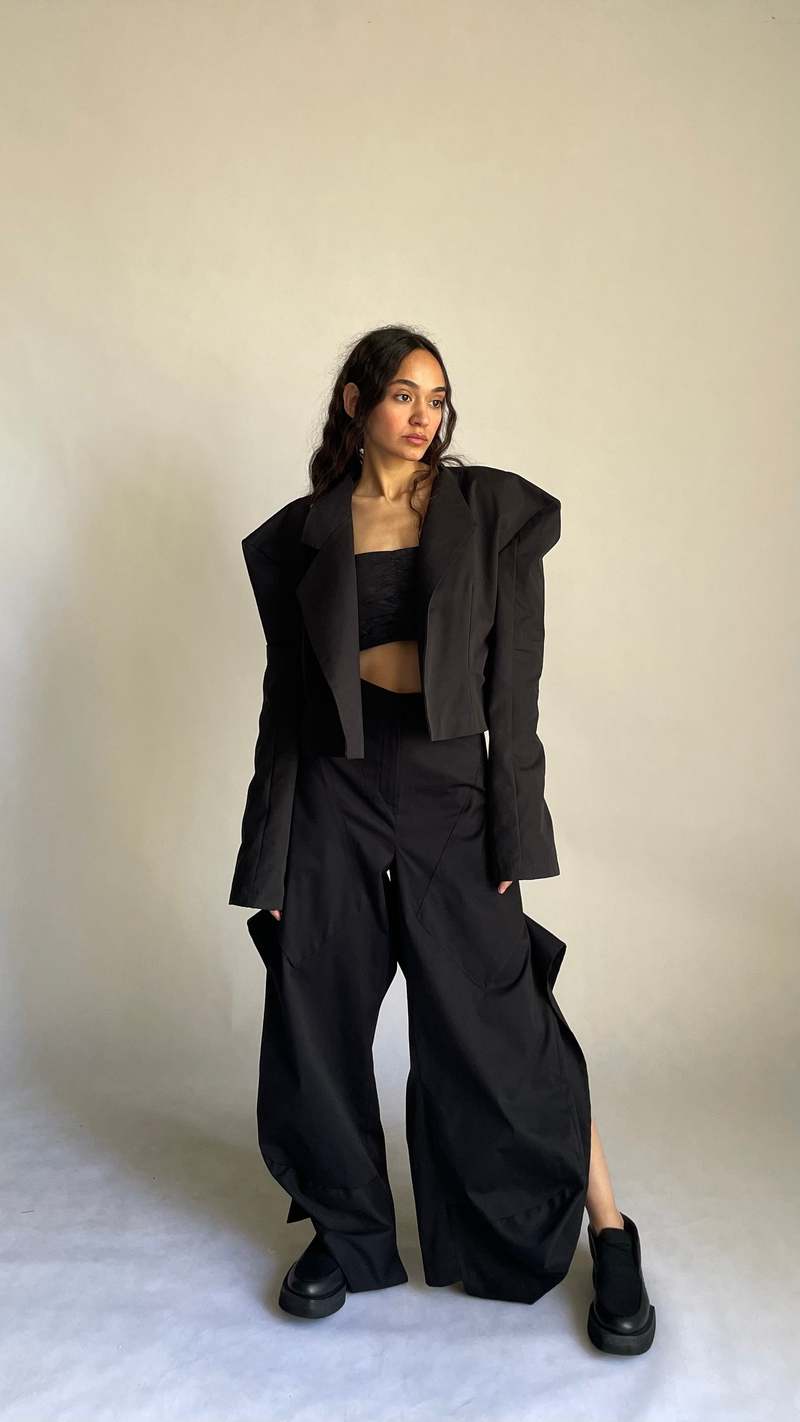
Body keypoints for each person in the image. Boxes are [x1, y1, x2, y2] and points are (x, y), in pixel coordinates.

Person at [229, 324, 656, 1354]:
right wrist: (269, 852)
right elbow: (285, 704)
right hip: (335, 786)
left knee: (503, 1018)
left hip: (447, 782)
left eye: (437, 398)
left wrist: (514, 829)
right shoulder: (304, 534)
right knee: (317, 1005)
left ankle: (608, 1227)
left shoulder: (488, 512)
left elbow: (516, 689)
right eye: (403, 395)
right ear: (355, 401)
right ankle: (342, 1229)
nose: (423, 416)